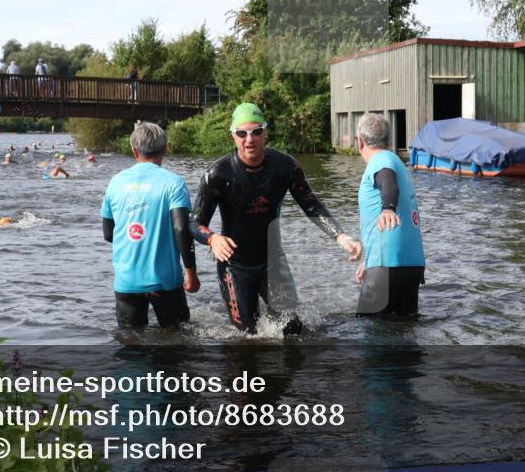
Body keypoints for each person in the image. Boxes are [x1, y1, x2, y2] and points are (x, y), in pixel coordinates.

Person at [189, 103, 361, 335]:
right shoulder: (218, 174)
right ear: (233, 136)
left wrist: (340, 236)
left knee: (293, 327)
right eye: (242, 133)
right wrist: (212, 239)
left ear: (265, 133)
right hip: (235, 266)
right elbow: (194, 222)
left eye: (256, 131)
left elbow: (312, 205)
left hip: (272, 261)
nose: (249, 139)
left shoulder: (285, 167)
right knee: (246, 335)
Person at [101, 122, 199, 329]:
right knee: (177, 343)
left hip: (126, 283)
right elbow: (181, 229)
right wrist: (190, 272)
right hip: (166, 282)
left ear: (134, 151)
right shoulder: (174, 183)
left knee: (131, 346)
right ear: (165, 148)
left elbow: (109, 234)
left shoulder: (115, 182)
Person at [354, 113, 425, 316]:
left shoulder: (380, 161)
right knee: (404, 334)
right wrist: (370, 259)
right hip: (411, 266)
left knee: (367, 331)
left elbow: (387, 183)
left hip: (387, 267)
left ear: (359, 141)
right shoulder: (396, 161)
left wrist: (388, 208)